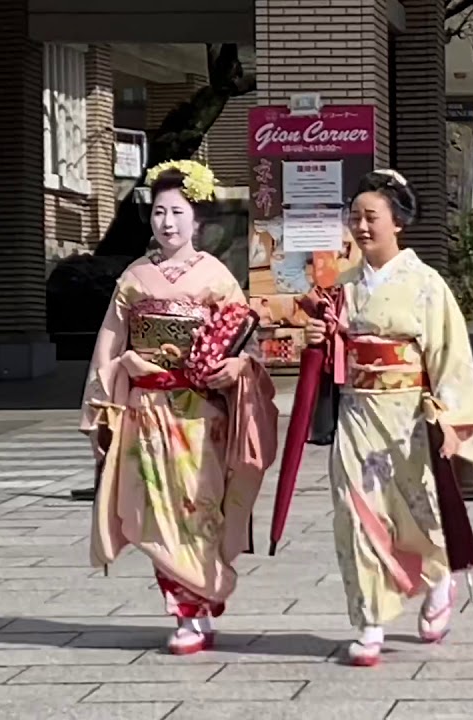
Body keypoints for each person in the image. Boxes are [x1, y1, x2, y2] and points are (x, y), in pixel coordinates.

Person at [305, 169, 473, 667]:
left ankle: (439, 579)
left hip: (407, 416)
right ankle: (371, 621)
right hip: (357, 411)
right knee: (356, 513)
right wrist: (320, 336)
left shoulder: (425, 284)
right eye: (354, 217)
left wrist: (451, 416)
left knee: (417, 511)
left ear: (398, 221)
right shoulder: (343, 284)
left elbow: (450, 355)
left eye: (371, 216)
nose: (361, 226)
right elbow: (335, 343)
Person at [82, 159, 278, 655]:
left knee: (198, 505)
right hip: (147, 410)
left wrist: (236, 370)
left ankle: (202, 598)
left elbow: (245, 345)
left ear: (198, 222)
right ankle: (184, 610)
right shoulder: (134, 278)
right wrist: (103, 404)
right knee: (154, 510)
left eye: (177, 213)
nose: (167, 223)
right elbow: (109, 344)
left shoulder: (217, 278)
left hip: (200, 415)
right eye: (159, 213)